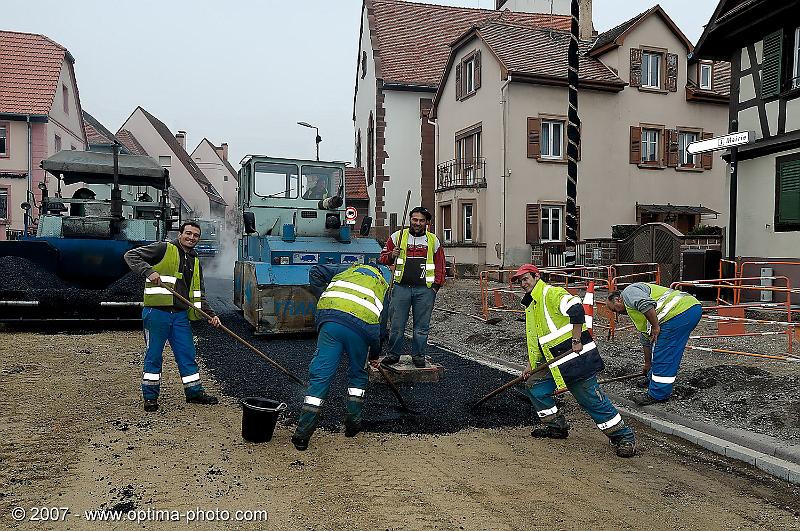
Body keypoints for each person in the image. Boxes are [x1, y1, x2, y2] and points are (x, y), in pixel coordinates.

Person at [512, 264, 636, 458]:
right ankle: (556, 426)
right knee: (534, 385)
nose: (523, 283)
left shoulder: (550, 294)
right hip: (553, 362)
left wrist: (576, 339)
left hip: (574, 359)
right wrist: (531, 365)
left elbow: (577, 309)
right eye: (520, 281)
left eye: (525, 278)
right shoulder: (532, 303)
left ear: (537, 276)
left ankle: (624, 437)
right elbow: (535, 339)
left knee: (590, 399)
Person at [124, 220, 222, 412]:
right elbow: (131, 255)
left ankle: (194, 392)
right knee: (154, 355)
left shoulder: (194, 261)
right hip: (157, 313)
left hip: (180, 316)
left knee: (187, 354)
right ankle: (150, 397)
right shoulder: (163, 249)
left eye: (195, 235)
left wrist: (210, 314)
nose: (191, 237)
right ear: (180, 234)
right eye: (188, 233)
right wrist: (149, 271)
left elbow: (198, 294)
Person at [292, 263, 389, 451]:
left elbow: (315, 271)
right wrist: (374, 355)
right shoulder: (382, 285)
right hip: (361, 331)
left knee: (320, 377)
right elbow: (381, 329)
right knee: (357, 377)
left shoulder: (348, 269)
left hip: (331, 323)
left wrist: (326, 297)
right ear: (378, 272)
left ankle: (302, 436)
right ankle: (353, 426)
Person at [605, 283, 702, 405]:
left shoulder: (629, 293)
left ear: (618, 299)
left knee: (664, 352)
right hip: (687, 310)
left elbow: (645, 304)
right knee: (664, 350)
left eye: (614, 309)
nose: (617, 313)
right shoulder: (636, 311)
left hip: (679, 312)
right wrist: (647, 364)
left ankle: (658, 394)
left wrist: (656, 327)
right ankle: (653, 378)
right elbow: (646, 340)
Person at [379, 206, 445, 368]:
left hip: (425, 290)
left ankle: (418, 356)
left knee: (421, 327)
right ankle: (393, 355)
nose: (417, 223)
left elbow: (440, 266)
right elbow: (382, 258)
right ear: (410, 219)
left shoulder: (433, 240)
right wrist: (391, 255)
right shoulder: (397, 237)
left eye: (421, 220)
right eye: (415, 220)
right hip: (401, 288)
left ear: (427, 223)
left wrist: (435, 287)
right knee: (396, 325)